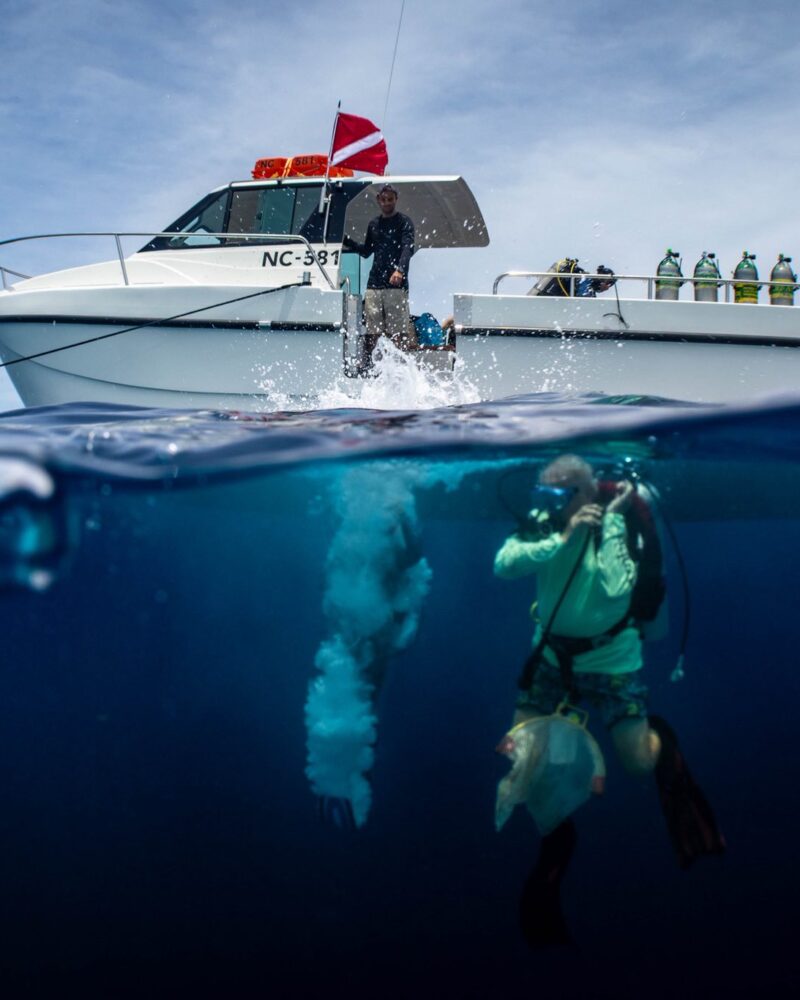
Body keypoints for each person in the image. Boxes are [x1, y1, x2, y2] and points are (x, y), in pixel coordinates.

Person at [493, 454, 724, 947]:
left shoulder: (614, 524)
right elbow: (504, 564)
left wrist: (601, 529)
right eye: (544, 495)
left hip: (611, 661)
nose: (548, 505)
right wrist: (561, 535)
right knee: (523, 762)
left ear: (586, 493)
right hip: (552, 659)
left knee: (638, 765)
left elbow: (618, 591)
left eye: (560, 496)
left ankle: (666, 746)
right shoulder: (546, 525)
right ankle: (557, 846)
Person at [343, 183, 416, 359]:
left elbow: (408, 248)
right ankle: (371, 367)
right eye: (384, 199)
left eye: (390, 199)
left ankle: (400, 365)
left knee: (396, 330)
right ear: (379, 200)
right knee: (372, 329)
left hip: (396, 286)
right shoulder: (374, 224)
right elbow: (367, 250)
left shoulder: (404, 222)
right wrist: (347, 241)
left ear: (396, 199)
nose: (387, 203)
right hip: (374, 284)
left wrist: (400, 270)